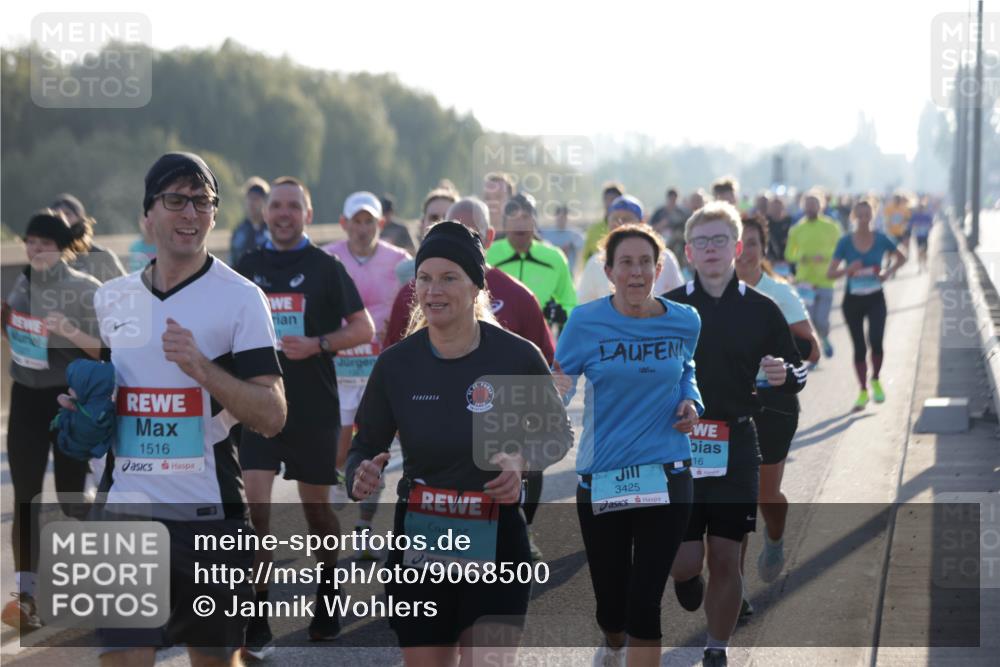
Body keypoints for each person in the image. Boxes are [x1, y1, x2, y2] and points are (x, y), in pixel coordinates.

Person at [87, 152, 287, 667]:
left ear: (215, 215)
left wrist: (202, 368)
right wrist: (83, 413)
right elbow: (111, 395)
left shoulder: (242, 299)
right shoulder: (112, 300)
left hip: (210, 516)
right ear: (146, 216)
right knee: (123, 657)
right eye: (176, 200)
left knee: (215, 660)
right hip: (125, 511)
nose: (190, 213)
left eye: (202, 202)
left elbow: (272, 414)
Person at [347, 221, 572, 666]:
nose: (434, 289)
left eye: (449, 277)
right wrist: (361, 470)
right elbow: (365, 443)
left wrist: (522, 462)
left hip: (498, 540)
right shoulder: (397, 364)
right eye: (425, 278)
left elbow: (558, 435)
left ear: (476, 287)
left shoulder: (515, 356)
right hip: (422, 541)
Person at [236, 177, 375, 656]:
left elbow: (363, 327)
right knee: (255, 514)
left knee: (317, 512)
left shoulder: (325, 267)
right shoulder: (246, 267)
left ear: (306, 213)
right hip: (257, 408)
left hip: (313, 408)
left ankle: (329, 591)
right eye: (276, 205)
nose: (283, 213)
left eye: (293, 206)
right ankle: (256, 613)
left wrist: (317, 344)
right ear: (265, 212)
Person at [665, 202, 807, 667]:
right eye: (701, 242)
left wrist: (784, 373)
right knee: (687, 563)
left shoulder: (763, 309)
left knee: (726, 555)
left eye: (719, 240)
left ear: (737, 248)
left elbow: (797, 368)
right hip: (681, 445)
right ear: (688, 251)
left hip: (737, 443)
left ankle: (717, 649)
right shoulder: (672, 310)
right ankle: (687, 581)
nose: (710, 249)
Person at [555, 224, 702, 667]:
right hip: (603, 477)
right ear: (609, 270)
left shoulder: (685, 319)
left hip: (667, 473)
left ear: (658, 269)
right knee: (611, 606)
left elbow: (686, 370)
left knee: (645, 603)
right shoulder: (585, 322)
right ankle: (612, 642)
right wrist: (540, 402)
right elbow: (560, 383)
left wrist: (691, 401)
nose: (636, 273)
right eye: (626, 263)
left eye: (645, 263)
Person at [384, 198, 556, 560]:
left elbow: (546, 382)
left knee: (490, 610)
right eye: (427, 279)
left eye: (471, 234)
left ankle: (523, 527)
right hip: (426, 509)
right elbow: (387, 382)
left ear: (488, 238)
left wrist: (520, 455)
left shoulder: (519, 298)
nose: (435, 289)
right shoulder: (409, 297)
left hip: (495, 488)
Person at [1, 209, 102, 633]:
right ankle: (26, 598)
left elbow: (104, 351)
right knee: (26, 497)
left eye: (44, 242)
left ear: (61, 247)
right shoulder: (22, 283)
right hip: (25, 399)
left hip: (67, 403)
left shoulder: (85, 289)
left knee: (71, 500)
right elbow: (23, 340)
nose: (36, 249)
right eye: (31, 241)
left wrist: (69, 333)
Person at [323, 191, 410, 557]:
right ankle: (339, 483)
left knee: (376, 448)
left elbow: (411, 308)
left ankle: (364, 527)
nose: (362, 228)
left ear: (381, 223)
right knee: (342, 452)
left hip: (381, 369)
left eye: (369, 221)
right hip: (339, 369)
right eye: (356, 221)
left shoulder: (401, 262)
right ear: (344, 224)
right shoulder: (327, 258)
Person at [734, 216, 820, 584]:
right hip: (728, 404)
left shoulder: (780, 294)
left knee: (766, 495)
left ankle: (774, 537)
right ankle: (732, 591)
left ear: (762, 249)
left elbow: (811, 350)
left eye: (751, 243)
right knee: (731, 502)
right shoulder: (708, 295)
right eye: (736, 242)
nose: (744, 251)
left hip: (774, 404)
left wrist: (776, 349)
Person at [827, 198, 906, 411]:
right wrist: (848, 269)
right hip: (852, 301)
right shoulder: (845, 242)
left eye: (866, 215)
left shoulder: (881, 239)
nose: (863, 220)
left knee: (877, 341)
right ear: (854, 217)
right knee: (859, 347)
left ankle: (876, 379)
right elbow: (831, 273)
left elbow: (901, 257)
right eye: (859, 215)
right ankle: (862, 390)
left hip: (875, 297)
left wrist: (887, 273)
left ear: (872, 216)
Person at [486, 193, 577, 332]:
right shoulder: (488, 254)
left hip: (540, 344)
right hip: (496, 340)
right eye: (514, 217)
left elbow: (570, 302)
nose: (520, 224)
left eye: (525, 217)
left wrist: (561, 313)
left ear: (535, 223)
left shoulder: (555, 258)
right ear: (504, 223)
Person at [577, 195, 684, 304]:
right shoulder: (595, 263)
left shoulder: (665, 258)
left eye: (627, 218)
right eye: (615, 218)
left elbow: (679, 298)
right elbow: (584, 303)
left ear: (641, 223)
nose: (620, 223)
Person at [784, 190, 841, 359]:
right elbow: (789, 255)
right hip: (804, 281)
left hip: (825, 280)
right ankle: (813, 353)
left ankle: (824, 337)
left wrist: (824, 257)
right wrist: (803, 257)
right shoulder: (797, 229)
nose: (810, 209)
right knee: (808, 322)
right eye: (807, 205)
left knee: (821, 321)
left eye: (814, 205)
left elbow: (839, 251)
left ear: (821, 206)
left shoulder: (831, 226)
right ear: (803, 207)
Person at [50, 193, 127, 283]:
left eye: (68, 214)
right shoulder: (45, 257)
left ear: (80, 219)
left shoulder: (102, 257)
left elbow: (124, 288)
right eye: (57, 215)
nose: (63, 219)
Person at [394, 187, 459, 286]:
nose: (440, 223)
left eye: (447, 218)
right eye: (434, 218)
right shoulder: (404, 273)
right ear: (422, 224)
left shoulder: (472, 270)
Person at [229, 177, 270, 267]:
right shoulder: (239, 230)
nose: (251, 203)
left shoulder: (273, 230)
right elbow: (233, 260)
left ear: (265, 201)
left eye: (256, 199)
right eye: (249, 198)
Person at [582, 182, 624, 262]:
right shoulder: (593, 230)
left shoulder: (626, 229)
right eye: (607, 199)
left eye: (613, 199)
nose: (609, 203)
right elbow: (586, 258)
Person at [650, 188, 689, 271]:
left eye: (674, 199)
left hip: (677, 247)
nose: (672, 202)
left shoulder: (682, 213)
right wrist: (661, 225)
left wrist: (678, 235)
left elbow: (687, 231)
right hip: (660, 242)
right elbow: (650, 229)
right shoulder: (659, 212)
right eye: (671, 199)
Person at [540, 204, 585, 274]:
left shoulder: (575, 234)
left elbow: (582, 247)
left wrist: (570, 245)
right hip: (550, 271)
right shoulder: (546, 234)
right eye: (560, 217)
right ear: (555, 217)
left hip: (568, 273)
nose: (562, 220)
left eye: (564, 217)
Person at [765, 197, 794, 277]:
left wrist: (790, 259)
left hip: (787, 263)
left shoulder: (790, 221)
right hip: (769, 263)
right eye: (774, 207)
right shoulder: (765, 222)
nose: (776, 210)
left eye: (778, 207)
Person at [907, 198, 934, 272]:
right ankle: (919, 266)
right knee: (919, 251)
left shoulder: (927, 216)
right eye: (919, 208)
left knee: (925, 251)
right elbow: (910, 224)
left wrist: (927, 227)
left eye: (921, 208)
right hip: (918, 235)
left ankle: (925, 264)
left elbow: (931, 224)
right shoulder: (915, 216)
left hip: (925, 235)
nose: (920, 209)